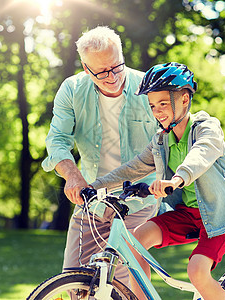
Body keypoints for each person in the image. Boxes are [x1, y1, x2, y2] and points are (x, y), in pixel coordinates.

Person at [91, 62, 225, 300]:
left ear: (185, 99)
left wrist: (177, 179)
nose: (157, 111)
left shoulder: (207, 128)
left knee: (197, 271)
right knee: (135, 243)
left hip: (220, 215)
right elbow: (133, 168)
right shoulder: (161, 141)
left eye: (163, 103)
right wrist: (95, 186)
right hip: (188, 214)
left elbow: (200, 155)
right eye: (153, 105)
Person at [41, 26, 159, 287]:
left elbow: (171, 139)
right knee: (72, 282)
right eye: (102, 71)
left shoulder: (149, 90)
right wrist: (72, 175)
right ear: (86, 67)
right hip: (92, 198)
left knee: (122, 283)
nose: (112, 76)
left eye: (117, 66)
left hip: (138, 200)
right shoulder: (72, 90)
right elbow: (57, 139)